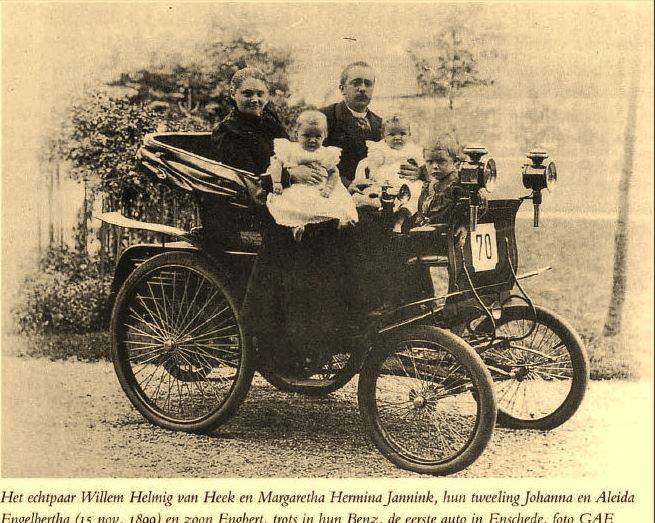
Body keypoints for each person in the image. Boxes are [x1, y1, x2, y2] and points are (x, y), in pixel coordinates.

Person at [212, 67, 356, 374]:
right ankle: (293, 337)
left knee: (346, 221)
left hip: (286, 195)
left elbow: (299, 154)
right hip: (253, 206)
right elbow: (244, 179)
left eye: (260, 93)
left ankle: (329, 326)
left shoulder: (271, 122)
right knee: (311, 238)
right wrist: (292, 177)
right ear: (233, 95)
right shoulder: (228, 132)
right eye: (247, 93)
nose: (254, 99)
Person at [266, 111, 358, 240]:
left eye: (317, 136)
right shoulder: (290, 149)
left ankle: (341, 221)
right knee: (292, 205)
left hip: (320, 188)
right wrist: (277, 182)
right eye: (306, 136)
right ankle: (296, 226)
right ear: (296, 133)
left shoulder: (325, 153)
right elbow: (276, 164)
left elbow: (334, 172)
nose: (312, 140)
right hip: (297, 187)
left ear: (324, 136)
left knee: (333, 204)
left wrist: (329, 188)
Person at [352, 113, 424, 231]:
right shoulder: (381, 148)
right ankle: (383, 217)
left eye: (402, 134)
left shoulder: (413, 149)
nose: (397, 137)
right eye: (392, 134)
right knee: (378, 196)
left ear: (409, 135)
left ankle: (399, 221)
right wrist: (374, 176)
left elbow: (422, 165)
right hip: (386, 180)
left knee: (416, 192)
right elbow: (372, 165)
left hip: (406, 181)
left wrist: (421, 171)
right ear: (384, 136)